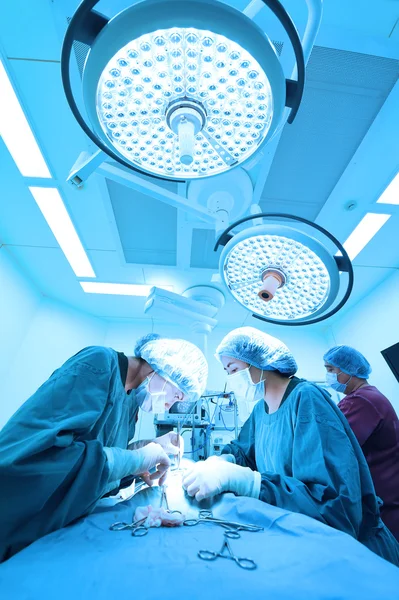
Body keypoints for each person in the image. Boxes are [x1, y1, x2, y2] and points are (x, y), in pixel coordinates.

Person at [182, 327, 399, 566]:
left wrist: (248, 482)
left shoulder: (307, 400)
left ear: (259, 362)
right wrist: (223, 462)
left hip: (354, 553)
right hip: (301, 542)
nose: (230, 379)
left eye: (233, 369)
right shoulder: (260, 410)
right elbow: (244, 451)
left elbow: (335, 507)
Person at [0, 334, 207, 561]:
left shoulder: (130, 403)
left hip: (51, 521)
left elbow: (100, 470)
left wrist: (149, 448)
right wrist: (137, 459)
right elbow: (48, 459)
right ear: (161, 370)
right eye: (176, 396)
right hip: (15, 507)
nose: (170, 405)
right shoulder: (98, 364)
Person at [324, 345, 399, 541]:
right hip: (388, 498)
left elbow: (333, 447)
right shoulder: (372, 396)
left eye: (331, 369)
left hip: (384, 505)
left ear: (349, 370)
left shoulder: (361, 401)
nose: (328, 375)